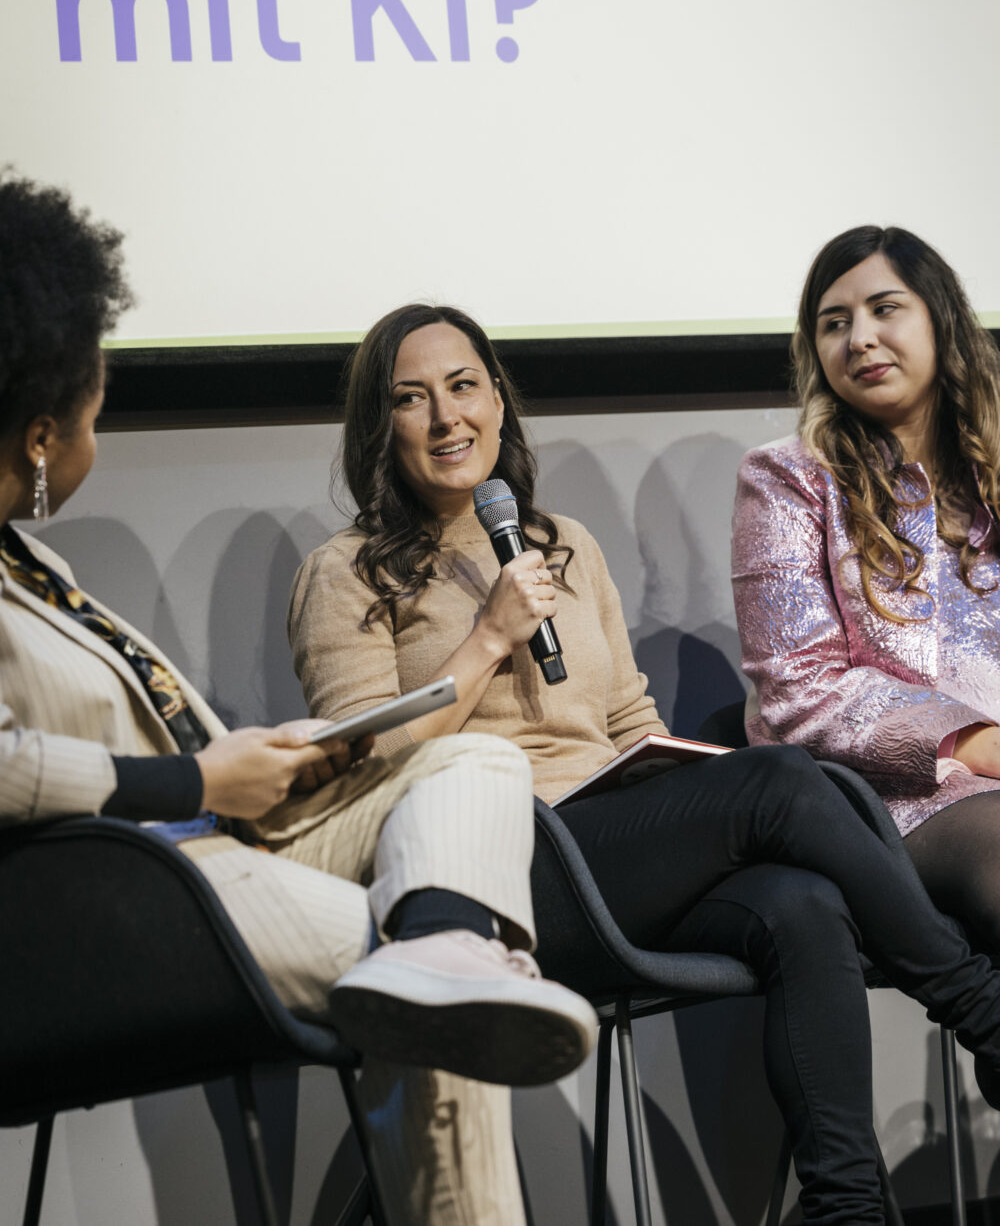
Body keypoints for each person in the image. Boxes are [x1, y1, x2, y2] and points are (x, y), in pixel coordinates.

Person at [291, 299, 1000, 1226]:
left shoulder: (566, 547)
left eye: (464, 387)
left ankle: (847, 1206)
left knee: (802, 903)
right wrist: (484, 640)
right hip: (491, 869)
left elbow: (628, 717)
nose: (446, 416)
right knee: (780, 777)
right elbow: (361, 772)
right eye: (410, 400)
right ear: (379, 429)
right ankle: (976, 1001)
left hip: (610, 844)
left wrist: (672, 777)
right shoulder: (346, 572)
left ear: (499, 402)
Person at [0, 176, 599, 1226]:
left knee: (475, 765)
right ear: (43, 428)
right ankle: (443, 960)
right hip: (122, 885)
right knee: (436, 1001)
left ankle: (449, 939)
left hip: (221, 840)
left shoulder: (28, 564)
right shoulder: (340, 566)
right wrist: (193, 776)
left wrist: (251, 756)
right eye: (100, 394)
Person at [732, 224, 1000, 959]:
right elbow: (799, 691)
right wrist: (978, 744)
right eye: (835, 323)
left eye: (885, 309)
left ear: (941, 320)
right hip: (889, 798)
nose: (860, 339)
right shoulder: (788, 477)